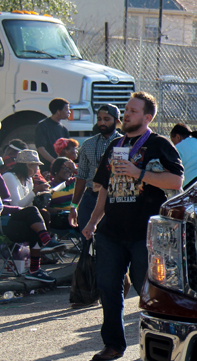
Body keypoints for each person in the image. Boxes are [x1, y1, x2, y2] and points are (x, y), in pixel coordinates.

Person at [82, 92, 184, 361]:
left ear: (147, 117)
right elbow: (104, 187)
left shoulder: (158, 144)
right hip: (111, 232)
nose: (127, 114)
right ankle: (113, 344)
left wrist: (137, 172)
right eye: (126, 110)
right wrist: (93, 221)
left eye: (134, 111)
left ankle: (163, 345)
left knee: (147, 291)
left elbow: (175, 181)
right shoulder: (115, 145)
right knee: (108, 288)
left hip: (143, 234)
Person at [0, 149, 67, 281]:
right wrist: (34, 191)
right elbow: (17, 204)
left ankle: (34, 269)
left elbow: (28, 205)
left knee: (37, 222)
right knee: (33, 212)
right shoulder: (9, 177)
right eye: (34, 165)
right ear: (25, 165)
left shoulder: (29, 180)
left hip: (20, 219)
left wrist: (41, 195)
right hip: (6, 222)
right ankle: (46, 241)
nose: (37, 169)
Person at [70, 105, 123, 237]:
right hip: (90, 197)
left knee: (109, 242)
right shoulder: (88, 144)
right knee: (86, 239)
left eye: (106, 119)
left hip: (115, 198)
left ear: (117, 121)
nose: (102, 123)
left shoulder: (124, 143)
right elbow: (81, 176)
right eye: (99, 119)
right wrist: (73, 206)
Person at [35, 98, 71, 169]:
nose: (69, 112)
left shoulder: (64, 129)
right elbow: (41, 148)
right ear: (58, 111)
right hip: (46, 167)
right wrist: (54, 162)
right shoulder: (43, 125)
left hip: (61, 168)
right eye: (67, 109)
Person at [46, 157, 77, 228]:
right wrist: (62, 212)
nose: (69, 171)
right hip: (61, 218)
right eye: (66, 168)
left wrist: (75, 169)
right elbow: (46, 208)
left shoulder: (75, 182)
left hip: (80, 216)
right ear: (56, 169)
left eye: (70, 169)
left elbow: (89, 178)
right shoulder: (49, 187)